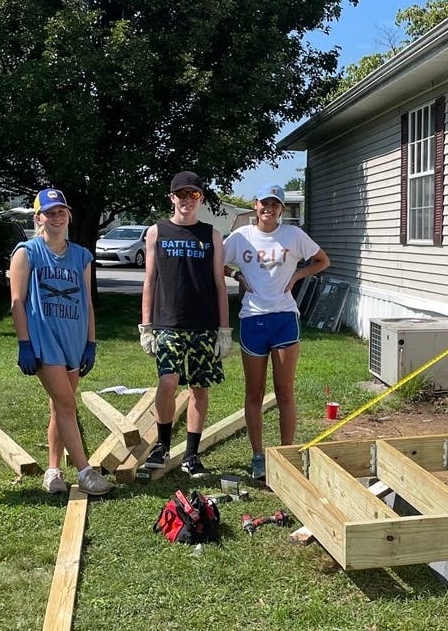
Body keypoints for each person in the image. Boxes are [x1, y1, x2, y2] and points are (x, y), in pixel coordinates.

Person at [9, 188, 113, 496]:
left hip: (74, 339)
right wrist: (24, 343)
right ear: (39, 217)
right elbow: (17, 300)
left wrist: (91, 342)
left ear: (68, 216)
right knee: (68, 405)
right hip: (45, 340)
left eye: (61, 212)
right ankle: (84, 472)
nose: (56, 217)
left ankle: (53, 470)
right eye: (50, 212)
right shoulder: (26, 252)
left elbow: (87, 302)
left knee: (59, 407)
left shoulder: (81, 255)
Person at [223, 184, 330, 480]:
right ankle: (258, 456)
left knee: (284, 391)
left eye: (275, 204)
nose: (269, 209)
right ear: (255, 205)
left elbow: (322, 260)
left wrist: (297, 275)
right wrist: (236, 274)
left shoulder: (293, 236)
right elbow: (215, 261)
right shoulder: (241, 236)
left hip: (284, 317)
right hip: (253, 319)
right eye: (264, 203)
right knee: (254, 392)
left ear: (282, 209)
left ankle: (286, 454)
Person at [138, 171, 232, 475]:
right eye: (181, 194)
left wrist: (224, 330)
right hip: (167, 323)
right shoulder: (157, 232)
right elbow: (149, 281)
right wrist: (146, 326)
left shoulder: (211, 234)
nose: (187, 200)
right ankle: (162, 445)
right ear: (172, 198)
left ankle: (192, 455)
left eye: (193, 194)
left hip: (204, 325)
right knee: (167, 383)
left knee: (198, 389)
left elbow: (220, 284)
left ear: (201, 198)